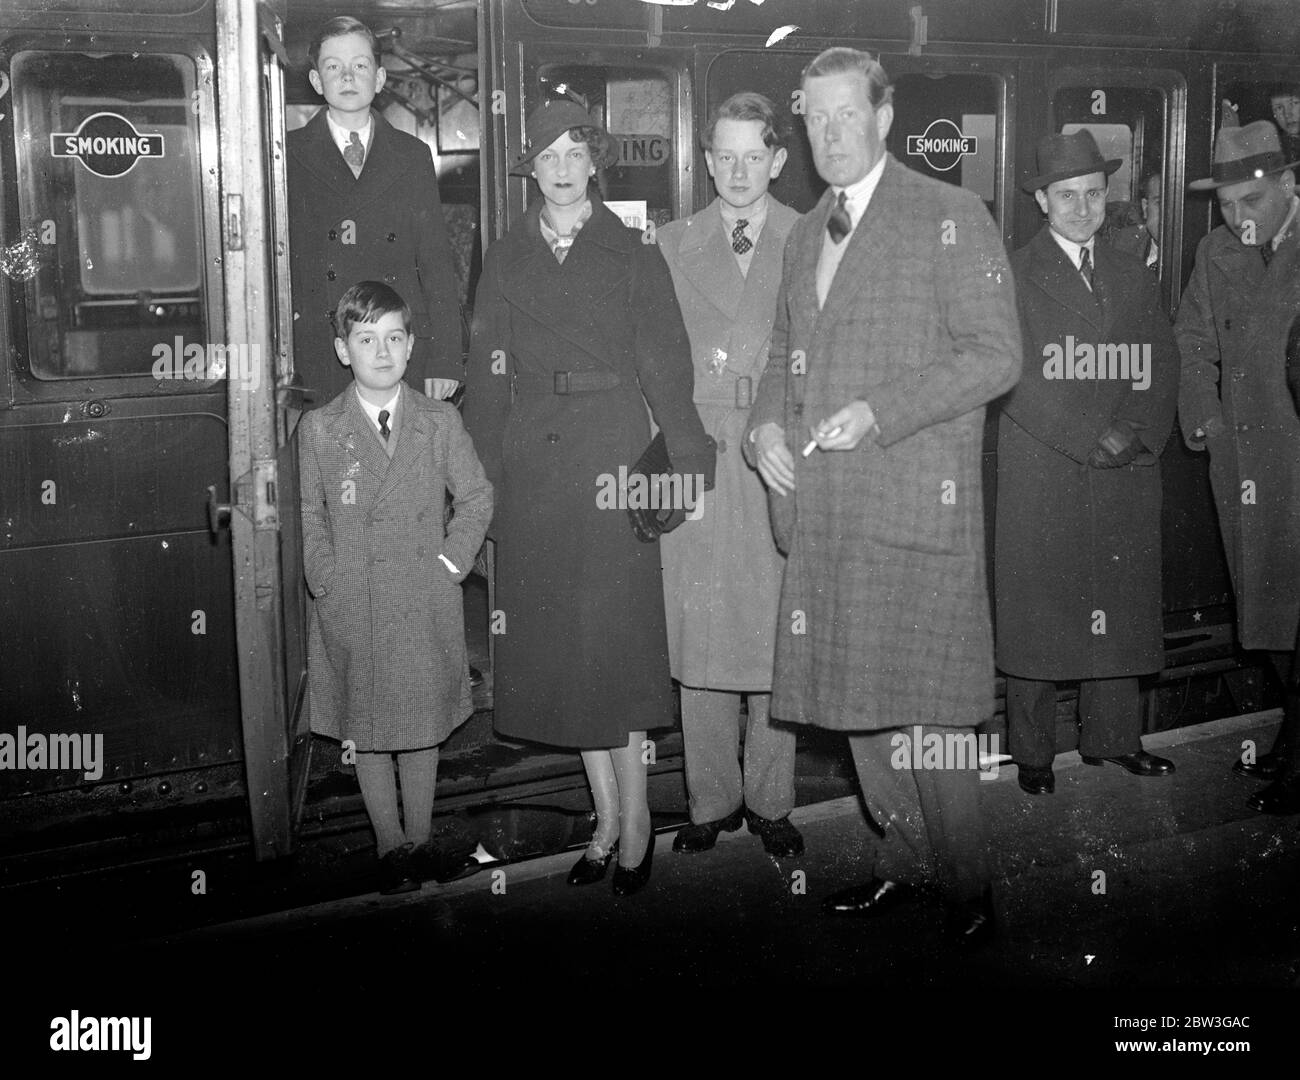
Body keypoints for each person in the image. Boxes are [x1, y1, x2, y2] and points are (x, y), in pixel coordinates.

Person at [745, 48, 1021, 947]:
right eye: (813, 117)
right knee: (862, 706)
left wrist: (881, 411)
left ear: (883, 116)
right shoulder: (801, 233)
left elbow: (995, 356)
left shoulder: (951, 213)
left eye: (844, 115)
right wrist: (765, 432)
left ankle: (970, 889)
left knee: (933, 715)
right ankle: (905, 864)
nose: (829, 134)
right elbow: (784, 363)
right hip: (828, 512)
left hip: (910, 504)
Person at [464, 100, 714, 895]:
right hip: (533, 465)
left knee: (616, 650)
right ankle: (603, 820)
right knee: (566, 658)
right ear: (530, 171)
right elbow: (484, 378)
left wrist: (689, 458)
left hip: (609, 455)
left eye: (576, 153)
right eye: (547, 156)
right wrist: (483, 485)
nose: (563, 168)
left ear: (594, 163)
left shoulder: (634, 254)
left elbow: (669, 366)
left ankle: (636, 821)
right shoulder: (504, 256)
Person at [997, 131, 1178, 798]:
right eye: (1067, 195)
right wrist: (1088, 434)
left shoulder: (1134, 272)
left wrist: (1134, 432)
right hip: (1048, 464)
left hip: (1123, 464)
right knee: (1038, 614)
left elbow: (1162, 362)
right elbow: (1008, 375)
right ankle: (1034, 754)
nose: (1082, 207)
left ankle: (1114, 739)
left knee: (1117, 601)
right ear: (1042, 200)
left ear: (1108, 197)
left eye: (1094, 194)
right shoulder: (1012, 273)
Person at [299, 281, 493, 893]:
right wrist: (326, 580)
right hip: (354, 600)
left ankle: (421, 837)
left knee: (420, 721)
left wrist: (449, 566)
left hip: (421, 595)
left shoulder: (438, 421)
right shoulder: (321, 428)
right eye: (365, 339)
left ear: (410, 349)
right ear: (341, 349)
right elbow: (309, 515)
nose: (381, 353)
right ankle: (391, 846)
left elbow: (477, 496)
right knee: (371, 725)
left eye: (393, 338)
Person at [656, 92, 803, 858]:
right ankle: (709, 800)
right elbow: (651, 359)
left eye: (756, 155)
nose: (740, 170)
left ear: (777, 160)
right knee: (703, 635)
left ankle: (772, 799)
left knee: (776, 633)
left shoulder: (813, 237)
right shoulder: (671, 243)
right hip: (700, 453)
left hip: (777, 451)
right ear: (706, 160)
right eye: (726, 155)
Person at [1176, 120, 1300, 815]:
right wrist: (1209, 420)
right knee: (1269, 617)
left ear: (1288, 184)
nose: (1236, 218)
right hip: (1245, 468)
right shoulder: (1216, 250)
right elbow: (1191, 340)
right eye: (1224, 204)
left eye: (1249, 201)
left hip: (1297, 464)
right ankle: (1290, 739)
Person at [288, 16, 463, 410]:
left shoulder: (413, 155)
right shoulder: (287, 155)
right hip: (322, 352)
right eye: (334, 66)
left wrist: (446, 358)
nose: (348, 76)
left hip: (397, 349)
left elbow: (436, 263)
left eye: (360, 65)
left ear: (380, 78)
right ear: (316, 81)